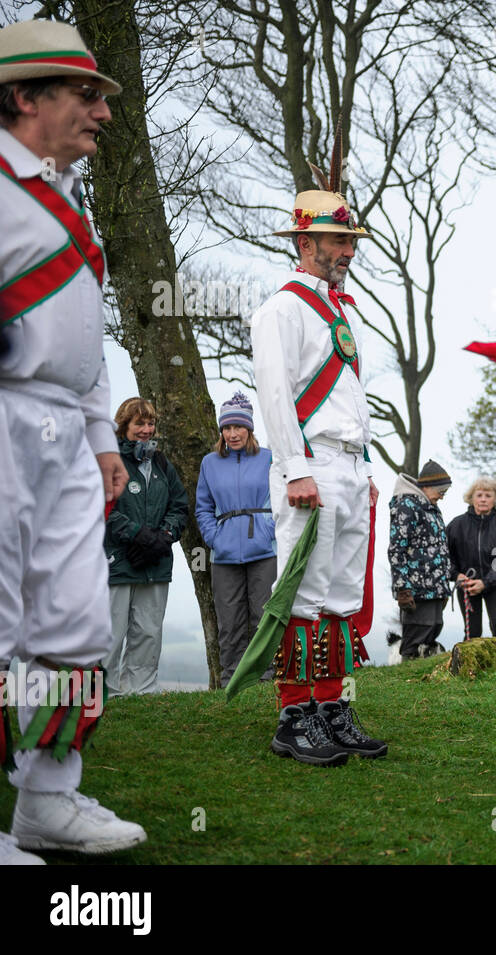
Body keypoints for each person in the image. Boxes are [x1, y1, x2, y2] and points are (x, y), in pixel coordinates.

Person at [0, 18, 145, 862]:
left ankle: (47, 798)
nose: (103, 112)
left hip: (58, 426)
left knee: (71, 619)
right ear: (25, 98)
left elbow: (85, 341)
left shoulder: (66, 202)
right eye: (85, 95)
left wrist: (100, 434)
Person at [250, 180, 386, 766]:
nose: (349, 252)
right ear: (307, 243)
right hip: (312, 467)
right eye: (338, 241)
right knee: (304, 594)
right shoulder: (282, 308)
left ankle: (332, 709)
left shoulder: (339, 311)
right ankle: (293, 716)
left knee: (340, 596)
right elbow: (275, 396)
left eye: (350, 241)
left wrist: (366, 465)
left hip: (350, 467)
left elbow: (348, 397)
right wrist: (295, 469)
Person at [102, 398, 188, 697]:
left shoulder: (162, 463)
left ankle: (141, 690)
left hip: (156, 563)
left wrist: (163, 536)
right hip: (117, 562)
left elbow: (180, 505)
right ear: (124, 425)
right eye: (139, 423)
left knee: (149, 631)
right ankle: (105, 692)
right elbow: (104, 507)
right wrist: (137, 534)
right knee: (112, 632)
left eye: (150, 423)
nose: (146, 429)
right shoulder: (109, 461)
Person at [195, 392, 276, 687]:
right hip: (224, 554)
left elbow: (281, 500)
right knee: (229, 621)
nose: (232, 434)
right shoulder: (210, 463)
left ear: (249, 429)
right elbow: (202, 507)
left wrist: (269, 530)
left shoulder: (269, 457)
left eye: (238, 428)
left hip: (264, 550)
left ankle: (266, 677)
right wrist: (215, 538)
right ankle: (232, 678)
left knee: (263, 616)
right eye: (226, 428)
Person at [389, 459, 453, 660]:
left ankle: (424, 678)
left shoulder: (430, 507)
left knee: (433, 628)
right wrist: (402, 588)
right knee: (416, 633)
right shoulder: (406, 506)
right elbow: (397, 549)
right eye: (441, 490)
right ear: (427, 486)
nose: (442, 496)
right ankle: (407, 677)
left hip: (434, 586)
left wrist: (443, 585)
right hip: (417, 588)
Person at [446, 476, 496, 642]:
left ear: (495, 499)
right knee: (472, 631)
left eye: (488, 495)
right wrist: (456, 575)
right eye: (479, 495)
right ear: (471, 498)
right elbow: (445, 557)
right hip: (467, 584)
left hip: (495, 585)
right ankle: (467, 666)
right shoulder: (456, 526)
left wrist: (485, 582)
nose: (483, 499)